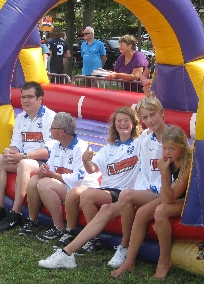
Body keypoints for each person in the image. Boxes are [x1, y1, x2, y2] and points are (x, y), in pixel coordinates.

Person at [38, 96, 168, 270]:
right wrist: (86, 160)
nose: (149, 120)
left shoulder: (145, 140)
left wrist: (149, 93)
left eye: (152, 115)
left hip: (144, 193)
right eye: (145, 117)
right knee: (103, 205)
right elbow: (92, 168)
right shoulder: (136, 142)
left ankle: (122, 246)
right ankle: (67, 252)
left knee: (110, 195)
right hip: (133, 192)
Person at [52, 107, 143, 249]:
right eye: (119, 121)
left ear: (133, 123)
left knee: (87, 195)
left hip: (123, 192)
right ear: (114, 125)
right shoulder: (109, 148)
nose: (123, 124)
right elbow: (92, 169)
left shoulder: (139, 143)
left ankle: (95, 239)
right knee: (73, 193)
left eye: (126, 120)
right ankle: (70, 231)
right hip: (107, 189)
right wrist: (85, 160)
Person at [111, 125, 192, 279]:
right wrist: (164, 171)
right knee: (141, 213)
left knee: (160, 211)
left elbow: (168, 198)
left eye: (171, 148)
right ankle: (129, 261)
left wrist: (163, 171)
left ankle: (164, 260)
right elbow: (167, 194)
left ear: (182, 148)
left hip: (190, 200)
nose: (167, 152)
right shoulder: (168, 160)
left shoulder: (188, 163)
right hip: (174, 197)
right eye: (164, 148)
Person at [0, 81, 56, 232]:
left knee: (24, 164)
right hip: (25, 158)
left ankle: (16, 213)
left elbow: (49, 150)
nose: (25, 101)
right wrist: (10, 152)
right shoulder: (21, 117)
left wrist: (23, 156)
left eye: (30, 97)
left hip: (44, 162)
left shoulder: (51, 118)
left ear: (40, 99)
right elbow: (16, 143)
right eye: (23, 97)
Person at [18, 112, 100, 241]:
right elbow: (51, 167)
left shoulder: (82, 147)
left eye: (52, 128)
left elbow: (77, 180)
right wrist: (44, 169)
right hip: (65, 185)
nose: (50, 130)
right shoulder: (56, 145)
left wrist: (50, 174)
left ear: (61, 131)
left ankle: (59, 227)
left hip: (81, 189)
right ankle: (32, 220)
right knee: (34, 180)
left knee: (44, 184)